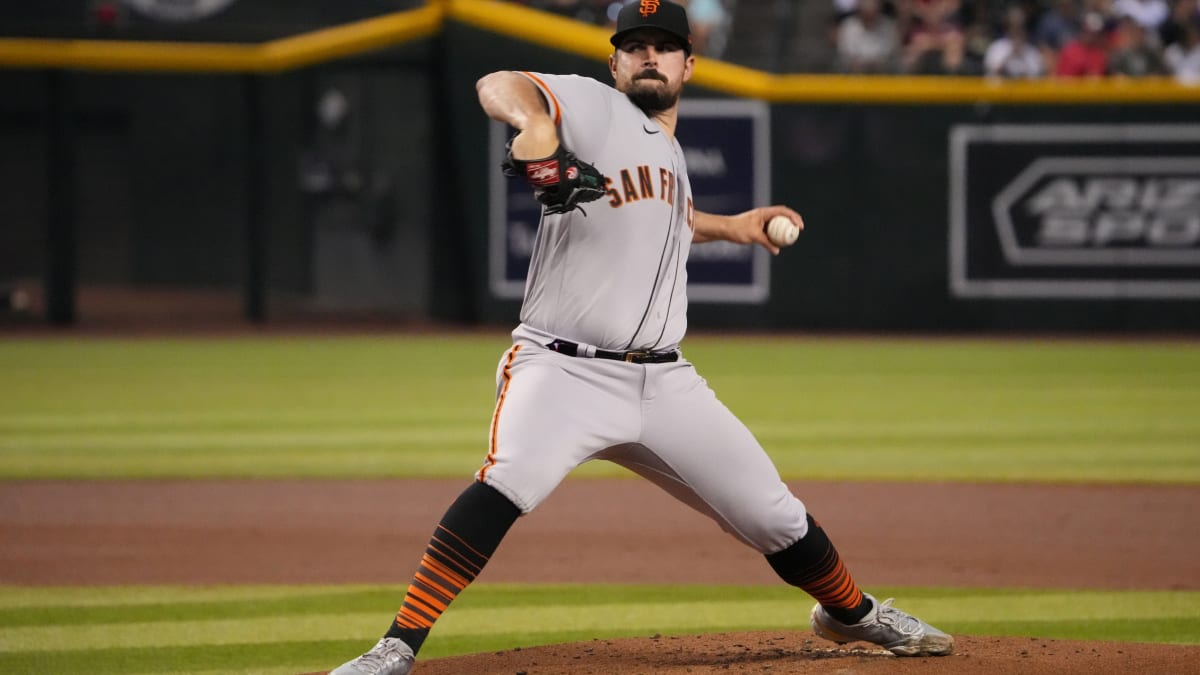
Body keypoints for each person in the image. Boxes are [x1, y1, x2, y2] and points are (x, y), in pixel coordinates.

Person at [328, 3, 954, 673]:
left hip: (664, 383)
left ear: (689, 63)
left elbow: (663, 219)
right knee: (508, 480)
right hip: (564, 369)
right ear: (615, 62)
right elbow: (497, 83)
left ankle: (851, 615)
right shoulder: (597, 108)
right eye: (635, 46)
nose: (649, 56)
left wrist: (733, 225)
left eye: (664, 46)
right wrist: (536, 121)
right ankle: (395, 646)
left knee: (774, 514)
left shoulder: (667, 148)